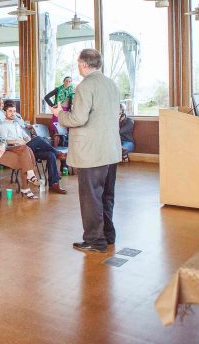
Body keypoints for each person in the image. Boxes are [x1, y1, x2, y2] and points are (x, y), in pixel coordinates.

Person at [52, 49, 121, 253]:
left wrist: (60, 114)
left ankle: (94, 240)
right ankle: (108, 234)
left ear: (82, 64)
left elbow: (78, 119)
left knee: (91, 197)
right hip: (110, 149)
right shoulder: (111, 84)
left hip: (91, 152)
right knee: (106, 195)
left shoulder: (85, 86)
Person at [0, 102, 67, 194]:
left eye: (14, 111)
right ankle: (57, 153)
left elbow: (26, 136)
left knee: (50, 155)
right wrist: (17, 141)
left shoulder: (16, 124)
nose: (13, 113)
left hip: (27, 149)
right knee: (38, 139)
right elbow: (4, 142)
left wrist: (27, 139)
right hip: (17, 151)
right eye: (10, 111)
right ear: (4, 112)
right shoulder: (2, 126)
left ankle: (54, 184)